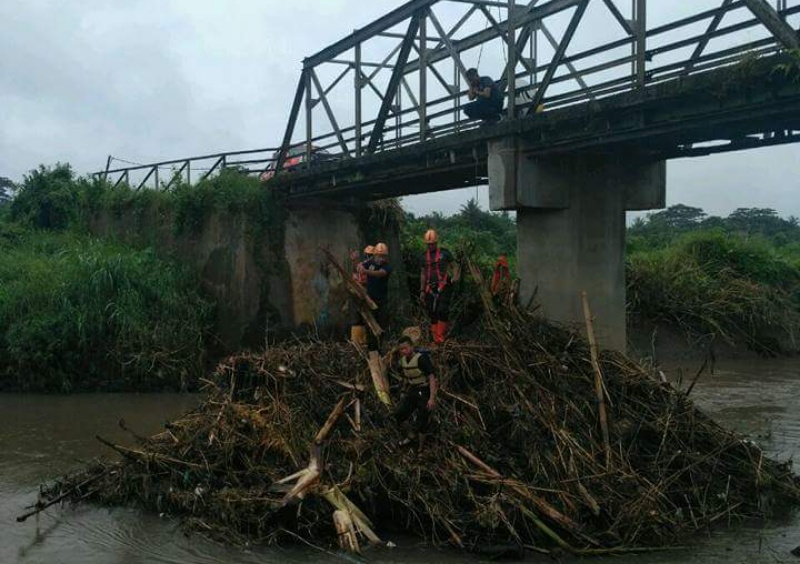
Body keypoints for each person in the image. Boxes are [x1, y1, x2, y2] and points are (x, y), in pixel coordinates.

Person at [394, 336, 438, 447]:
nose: (404, 351)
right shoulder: (403, 361)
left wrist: (432, 398)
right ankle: (411, 435)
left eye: (406, 348)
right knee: (399, 413)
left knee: (422, 418)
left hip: (424, 390)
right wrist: (403, 391)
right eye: (401, 349)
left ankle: (420, 448)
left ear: (411, 347)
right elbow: (405, 377)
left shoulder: (421, 359)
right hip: (413, 389)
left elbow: (432, 377)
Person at [419, 229, 456, 344]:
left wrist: (455, 276)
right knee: (432, 312)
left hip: (444, 285)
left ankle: (440, 337)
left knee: (442, 310)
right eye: (429, 244)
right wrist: (422, 290)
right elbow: (423, 274)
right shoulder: (423, 256)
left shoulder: (445, 253)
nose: (431, 246)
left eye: (433, 244)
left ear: (436, 243)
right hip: (430, 287)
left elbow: (454, 265)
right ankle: (435, 338)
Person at [359, 242, 392, 352]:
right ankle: (372, 349)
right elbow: (360, 265)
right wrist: (359, 265)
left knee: (381, 324)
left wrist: (366, 271)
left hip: (381, 301)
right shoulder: (370, 262)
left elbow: (379, 274)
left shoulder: (387, 266)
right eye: (378, 255)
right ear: (375, 255)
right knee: (370, 325)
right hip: (369, 300)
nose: (380, 258)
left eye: (383, 256)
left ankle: (380, 347)